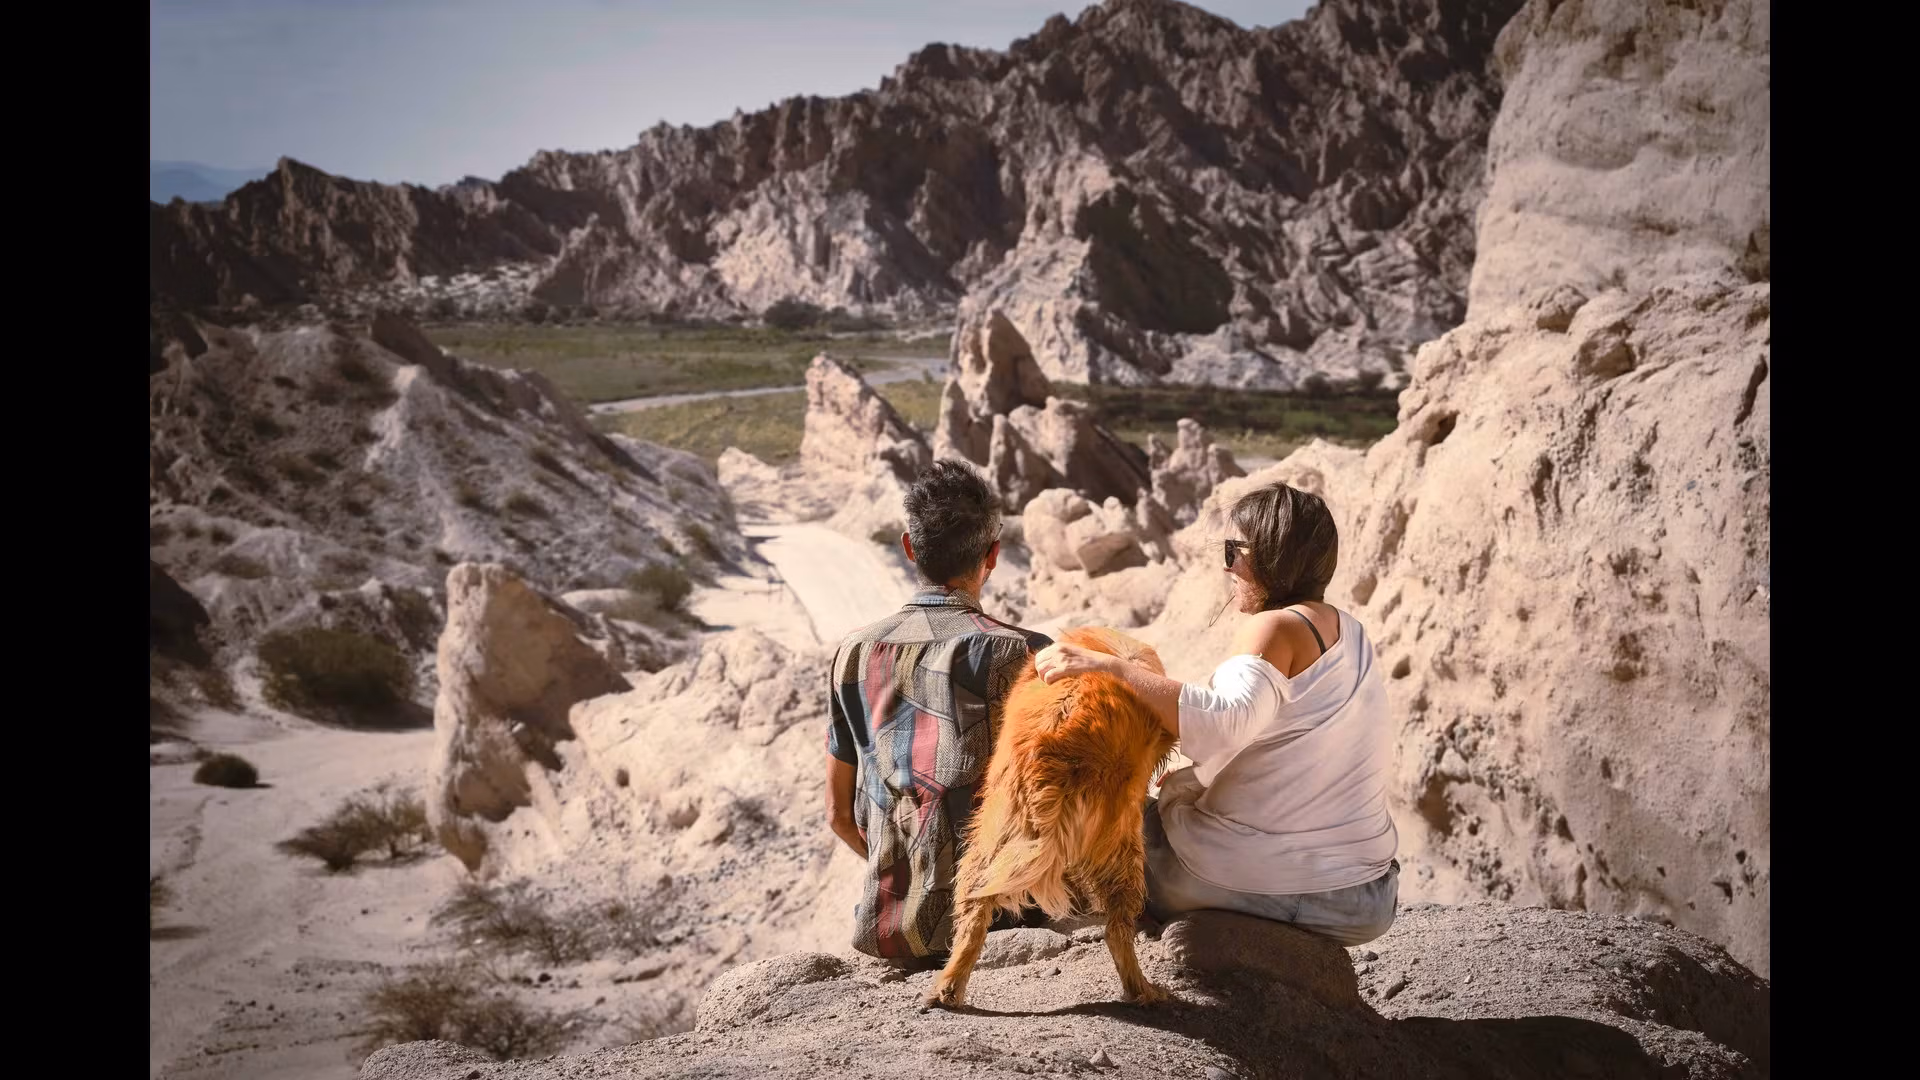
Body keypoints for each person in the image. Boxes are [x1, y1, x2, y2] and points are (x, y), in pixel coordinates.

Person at [1033, 481, 1400, 946]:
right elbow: (1285, 748)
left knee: (1102, 811)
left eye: (1235, 551)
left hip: (1250, 882)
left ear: (1270, 555)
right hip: (1365, 898)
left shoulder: (1276, 626)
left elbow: (1226, 722)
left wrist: (1110, 667)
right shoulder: (1352, 632)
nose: (1228, 567)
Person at [824, 460, 1052, 960]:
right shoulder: (1028, 654)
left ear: (910, 548)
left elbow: (839, 816)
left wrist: (913, 875)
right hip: (1000, 927)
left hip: (889, 933)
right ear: (992, 555)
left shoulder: (852, 653)